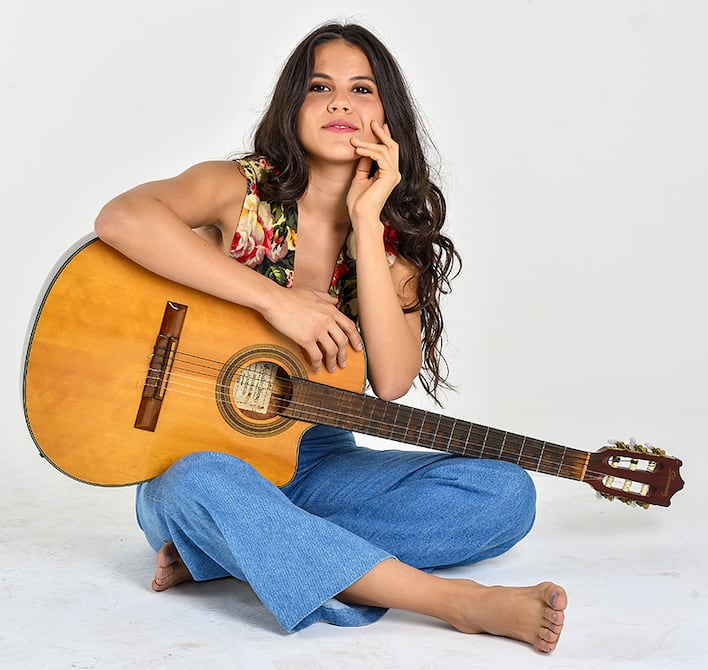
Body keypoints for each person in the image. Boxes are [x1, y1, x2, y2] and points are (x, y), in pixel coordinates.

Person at [94, 21, 566, 653]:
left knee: (505, 495)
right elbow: (122, 217)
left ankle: (238, 549)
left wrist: (367, 223)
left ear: (388, 116)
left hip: (316, 459)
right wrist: (276, 302)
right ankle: (454, 602)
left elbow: (392, 381)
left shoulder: (395, 248)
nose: (340, 102)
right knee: (196, 485)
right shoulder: (236, 190)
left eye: (361, 89)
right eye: (320, 87)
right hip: (195, 460)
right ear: (293, 107)